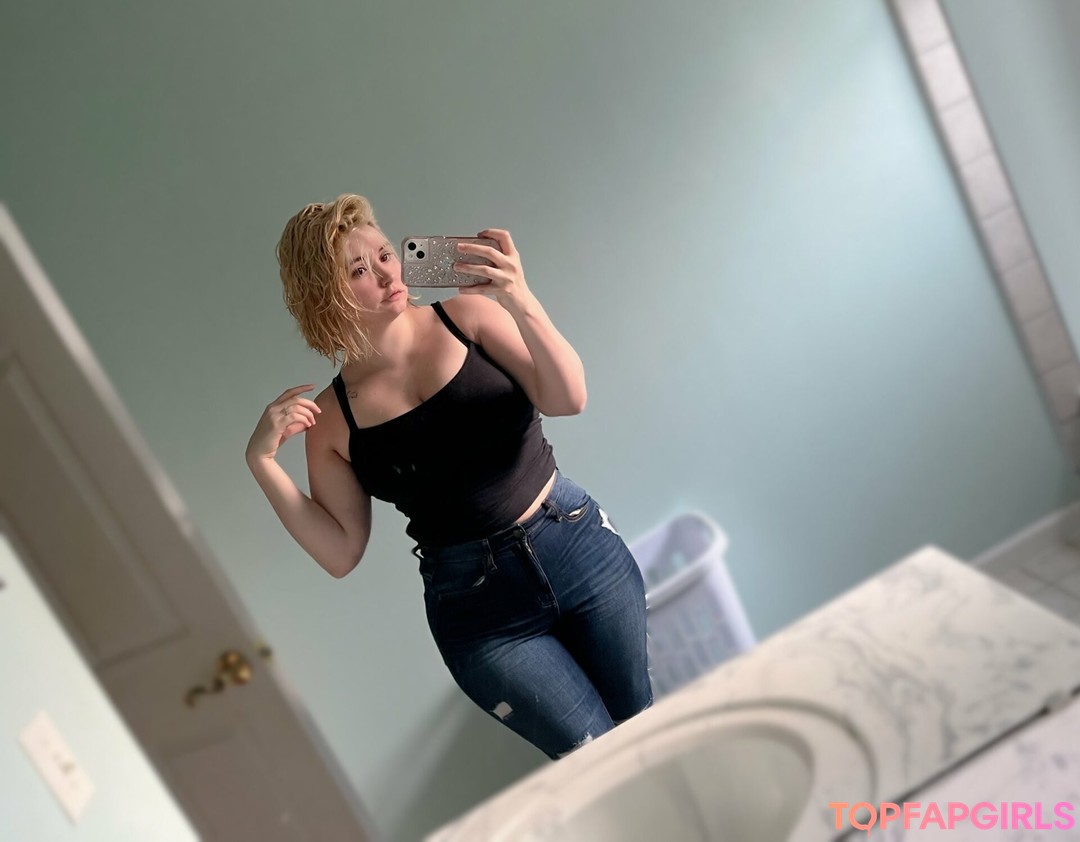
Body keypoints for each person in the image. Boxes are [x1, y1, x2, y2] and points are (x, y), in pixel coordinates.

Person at [246, 193, 652, 759]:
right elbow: (340, 552)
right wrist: (262, 463)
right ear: (325, 296)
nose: (386, 274)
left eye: (384, 254)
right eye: (358, 270)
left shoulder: (468, 318)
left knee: (649, 731)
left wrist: (519, 297)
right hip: (481, 615)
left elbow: (568, 398)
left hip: (578, 545)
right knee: (598, 763)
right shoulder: (332, 421)